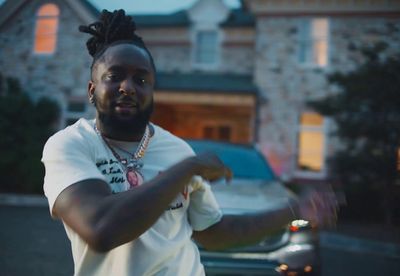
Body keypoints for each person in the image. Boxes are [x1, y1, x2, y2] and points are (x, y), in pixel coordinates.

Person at [42, 9, 337, 276]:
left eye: (141, 80)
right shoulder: (70, 145)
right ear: (92, 91)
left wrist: (294, 210)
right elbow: (100, 228)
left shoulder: (177, 149)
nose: (128, 87)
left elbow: (215, 232)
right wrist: (187, 169)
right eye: (114, 76)